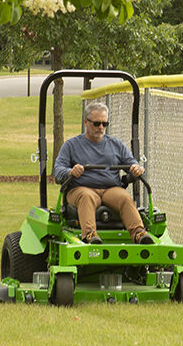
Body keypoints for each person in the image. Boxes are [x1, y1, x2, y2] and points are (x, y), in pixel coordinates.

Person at [53, 102, 151, 245]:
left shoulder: (115, 144)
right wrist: (71, 171)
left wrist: (136, 168)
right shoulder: (71, 145)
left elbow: (131, 162)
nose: (101, 128)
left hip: (110, 189)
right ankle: (90, 235)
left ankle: (139, 234)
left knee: (124, 197)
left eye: (104, 124)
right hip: (81, 188)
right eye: (97, 123)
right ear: (86, 122)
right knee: (86, 197)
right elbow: (58, 171)